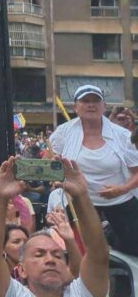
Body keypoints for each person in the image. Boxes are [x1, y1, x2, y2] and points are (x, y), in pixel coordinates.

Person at [0, 157, 109, 297]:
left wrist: (81, 195)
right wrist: (0, 198)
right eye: (39, 254)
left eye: (58, 256)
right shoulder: (14, 294)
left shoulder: (80, 293)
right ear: (22, 270)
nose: (50, 260)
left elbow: (98, 255)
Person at [50, 84, 138, 255]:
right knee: (85, 249)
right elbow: (52, 161)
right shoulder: (62, 133)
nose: (91, 105)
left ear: (104, 106)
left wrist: (122, 189)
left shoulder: (123, 135)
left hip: (121, 199)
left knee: (132, 248)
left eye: (96, 101)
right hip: (81, 200)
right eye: (85, 101)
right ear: (75, 107)